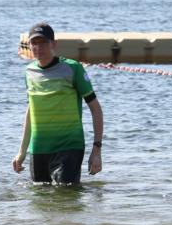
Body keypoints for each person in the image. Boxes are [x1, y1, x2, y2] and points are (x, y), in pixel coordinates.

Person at [12, 23, 104, 185]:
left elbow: (95, 109)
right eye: (34, 43)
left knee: (67, 196)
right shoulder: (29, 72)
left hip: (69, 146)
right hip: (39, 148)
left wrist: (96, 149)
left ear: (53, 44)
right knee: (40, 200)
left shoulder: (72, 68)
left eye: (43, 42)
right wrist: (22, 152)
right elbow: (30, 111)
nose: (38, 47)